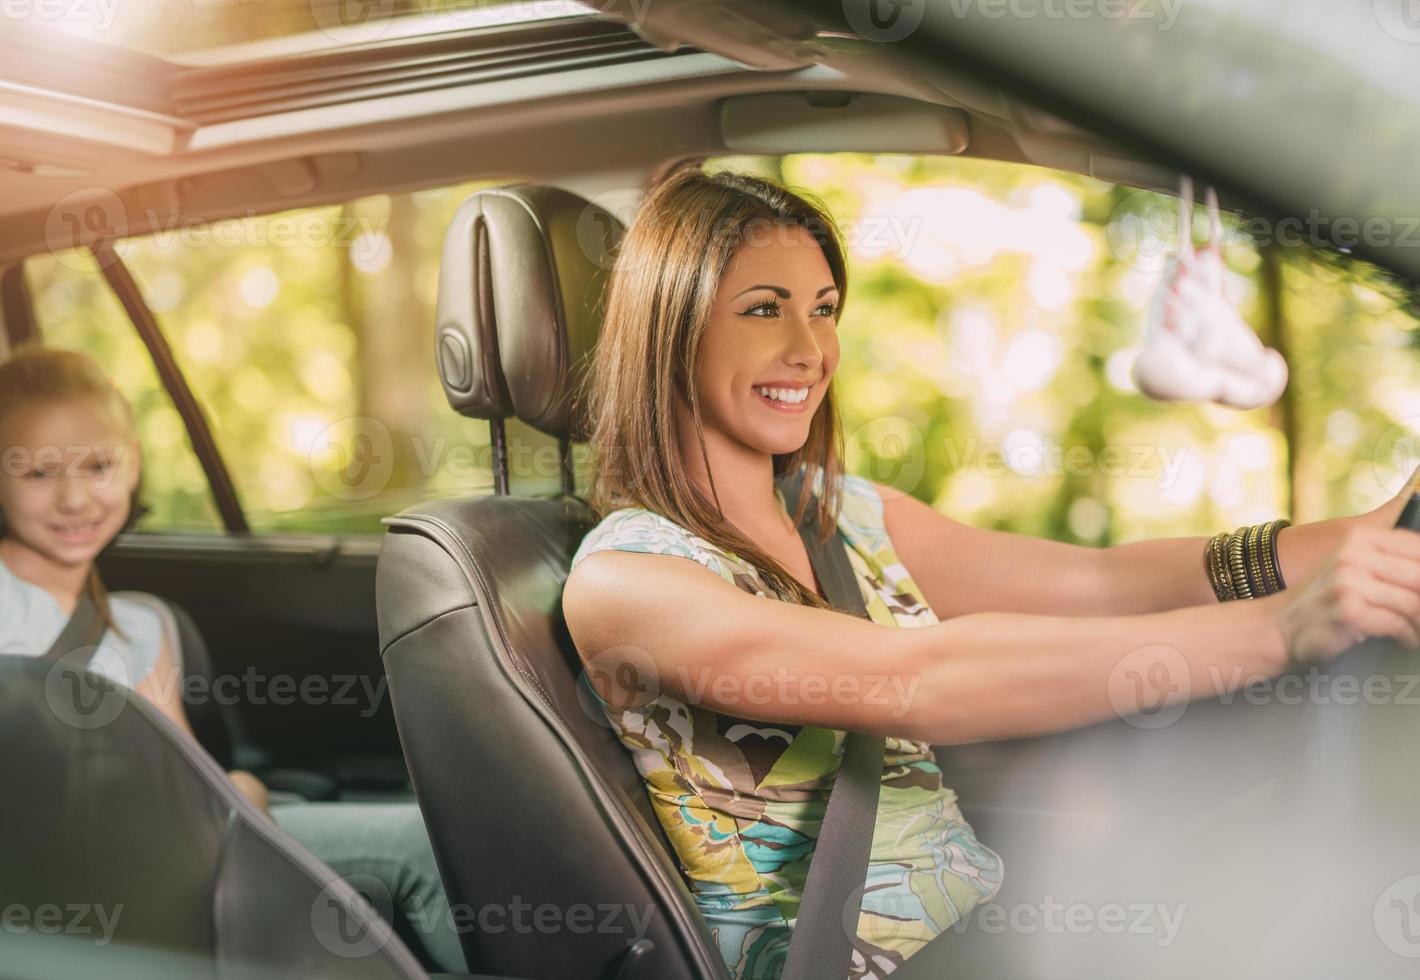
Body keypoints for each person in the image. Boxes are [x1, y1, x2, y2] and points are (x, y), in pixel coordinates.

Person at [560, 168, 1420, 980]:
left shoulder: (843, 514)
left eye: (823, 310)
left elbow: (1108, 586)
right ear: (672, 329)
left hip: (988, 927)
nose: (808, 349)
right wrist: (1278, 632)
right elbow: (917, 680)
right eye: (763, 310)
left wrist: (1380, 530)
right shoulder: (629, 582)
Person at [0, 346, 465, 974]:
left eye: (98, 466)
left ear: (133, 463)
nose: (75, 498)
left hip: (175, 847)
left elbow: (185, 775)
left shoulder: (144, 624)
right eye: (37, 474)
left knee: (434, 839)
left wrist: (240, 789)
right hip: (53, 875)